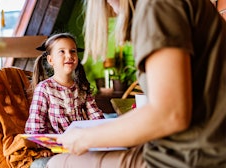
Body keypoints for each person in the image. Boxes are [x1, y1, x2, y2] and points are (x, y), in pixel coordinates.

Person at [46, 0, 226, 168]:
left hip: (194, 156)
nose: (111, 10)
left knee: (56, 163)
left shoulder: (155, 6)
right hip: (201, 146)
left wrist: (85, 138)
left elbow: (170, 114)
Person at [25, 33, 105, 168]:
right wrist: (43, 148)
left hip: (82, 145)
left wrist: (104, 132)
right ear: (51, 60)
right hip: (57, 150)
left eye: (72, 51)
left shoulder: (82, 87)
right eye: (62, 51)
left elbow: (96, 117)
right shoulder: (44, 89)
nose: (69, 55)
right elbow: (35, 127)